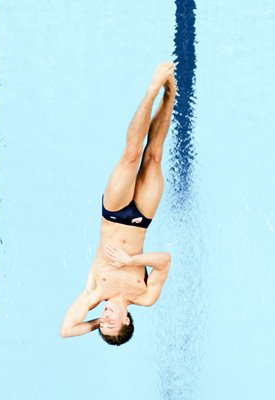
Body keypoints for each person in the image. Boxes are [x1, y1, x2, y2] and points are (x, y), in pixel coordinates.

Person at [60, 62, 176, 345]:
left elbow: (66, 330)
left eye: (103, 324)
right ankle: (169, 93)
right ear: (126, 320)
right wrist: (132, 261)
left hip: (113, 214)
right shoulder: (144, 297)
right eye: (112, 323)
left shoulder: (95, 292)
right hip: (141, 218)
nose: (106, 319)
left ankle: (151, 90)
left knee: (131, 155)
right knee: (155, 155)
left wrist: (95, 322)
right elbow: (164, 262)